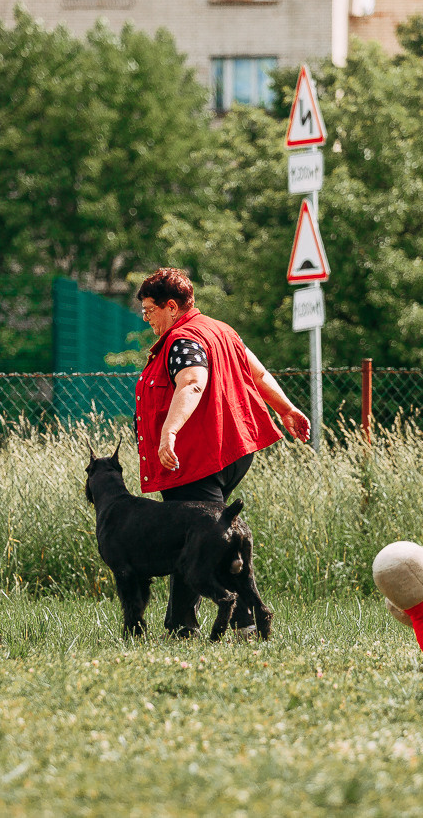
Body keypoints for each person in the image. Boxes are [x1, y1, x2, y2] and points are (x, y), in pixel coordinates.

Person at [134, 268, 311, 636]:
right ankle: (190, 624)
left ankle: (235, 622)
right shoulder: (222, 330)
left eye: (149, 309)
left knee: (200, 538)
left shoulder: (183, 339)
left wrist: (169, 432)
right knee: (199, 535)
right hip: (233, 452)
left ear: (171, 306)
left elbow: (193, 382)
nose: (146, 317)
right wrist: (286, 409)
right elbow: (259, 374)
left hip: (198, 456)